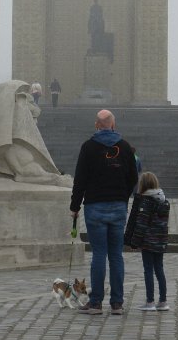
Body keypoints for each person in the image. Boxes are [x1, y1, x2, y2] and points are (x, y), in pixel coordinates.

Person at [70, 109, 138, 315]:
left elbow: (80, 179)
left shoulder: (88, 147)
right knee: (116, 255)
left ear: (97, 125)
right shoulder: (125, 147)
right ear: (113, 124)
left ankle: (96, 302)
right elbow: (133, 177)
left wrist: (75, 206)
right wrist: (122, 197)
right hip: (117, 206)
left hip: (95, 206)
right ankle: (117, 303)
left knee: (99, 254)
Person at [124, 171, 170, 312]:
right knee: (159, 269)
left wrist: (134, 243)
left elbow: (141, 224)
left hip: (149, 241)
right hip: (161, 240)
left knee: (148, 270)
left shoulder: (146, 201)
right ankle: (163, 301)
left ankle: (150, 301)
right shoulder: (163, 200)